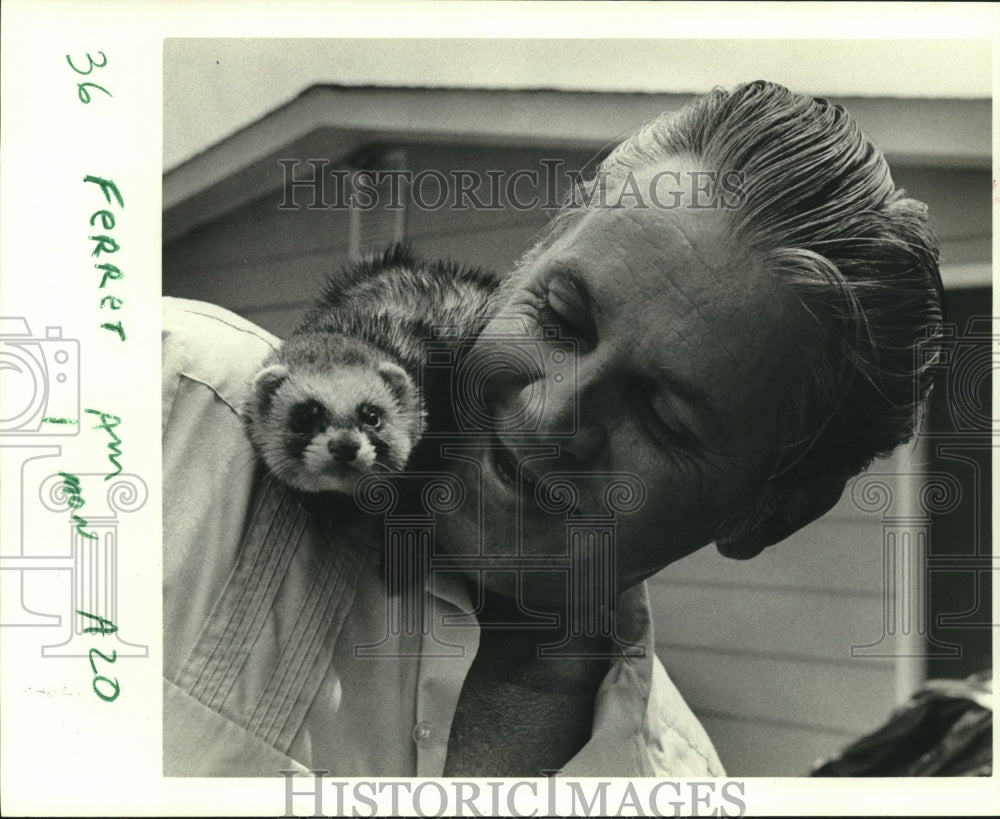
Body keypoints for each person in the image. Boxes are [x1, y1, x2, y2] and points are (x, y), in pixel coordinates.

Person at [161, 80, 943, 778]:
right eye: (562, 318)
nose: (546, 413)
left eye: (662, 414)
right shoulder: (166, 416)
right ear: (521, 270)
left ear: (767, 511)